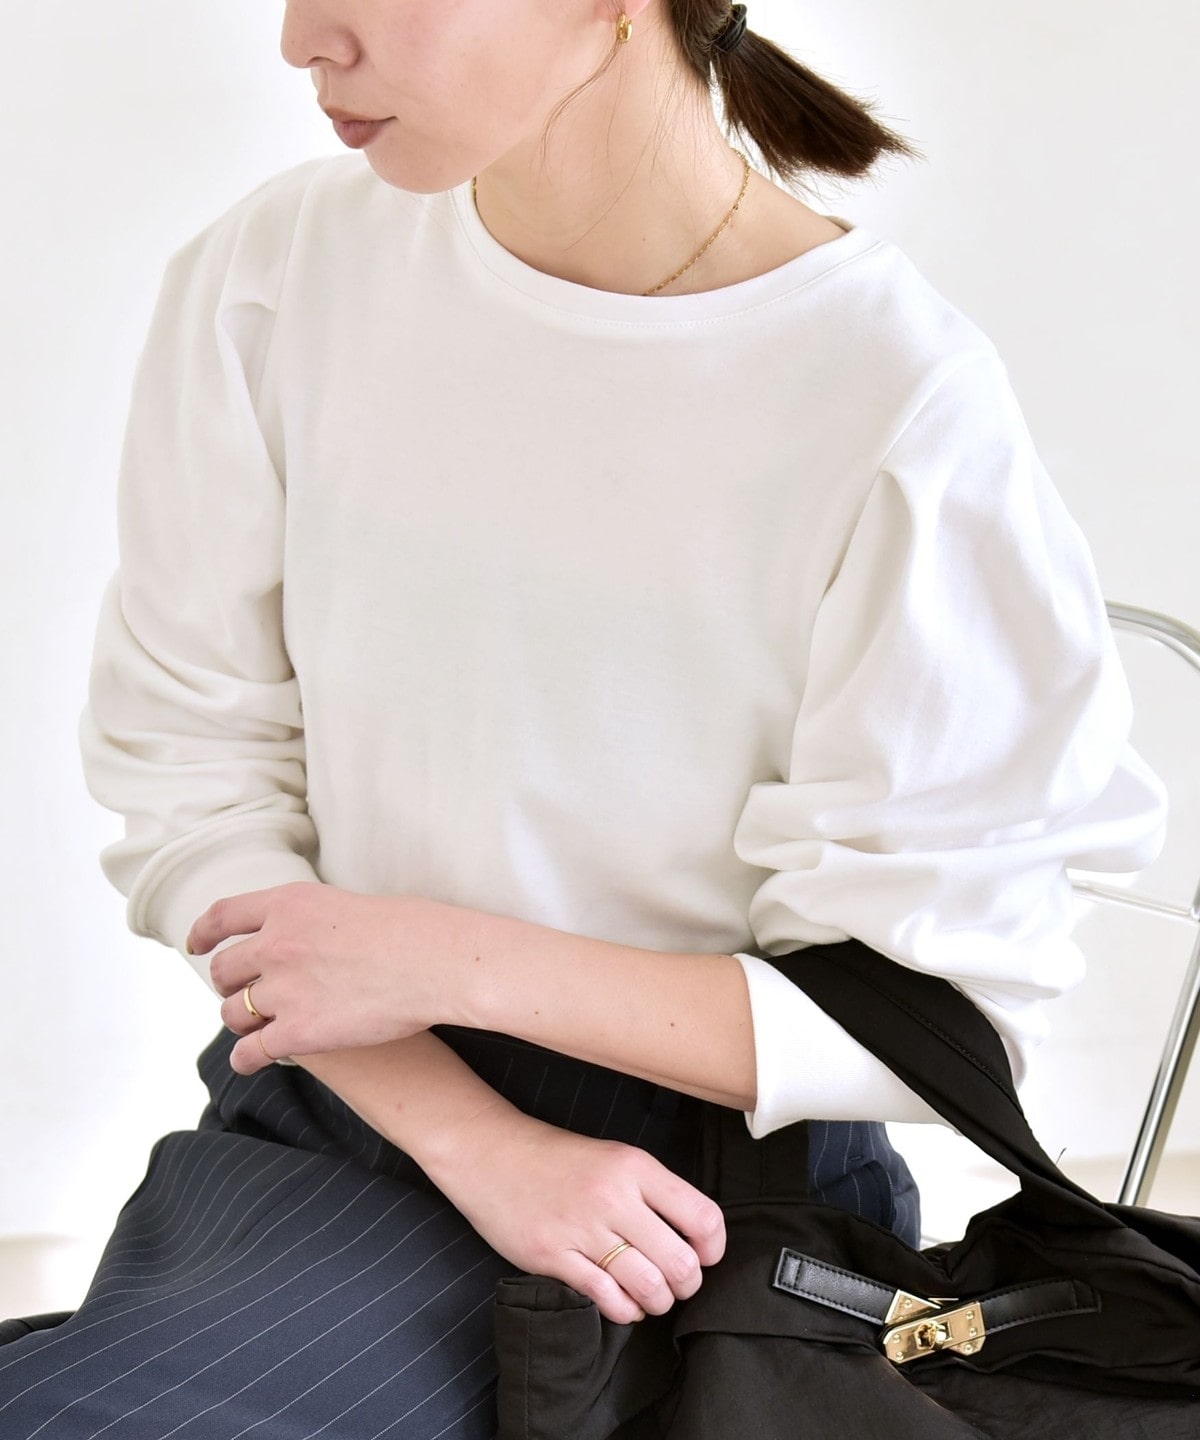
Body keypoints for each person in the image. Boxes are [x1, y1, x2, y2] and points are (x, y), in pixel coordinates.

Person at [0, 1, 1166, 1435]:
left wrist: (440, 962)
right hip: (332, 1104)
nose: (304, 37)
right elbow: (194, 781)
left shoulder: (889, 401)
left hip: (694, 1205)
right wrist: (478, 1136)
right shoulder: (278, 274)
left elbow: (931, 1015)